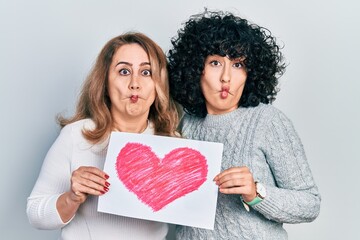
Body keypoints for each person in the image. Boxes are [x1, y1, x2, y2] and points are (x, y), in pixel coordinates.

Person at [168, 10, 321, 239]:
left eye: (238, 64)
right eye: (215, 63)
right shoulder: (184, 125)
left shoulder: (267, 121)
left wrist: (255, 192)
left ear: (251, 73)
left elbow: (310, 203)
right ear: (195, 68)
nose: (226, 77)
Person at [27, 32, 179, 240]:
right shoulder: (76, 136)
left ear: (158, 84)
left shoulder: (172, 146)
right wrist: (72, 198)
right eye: (124, 71)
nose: (135, 83)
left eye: (146, 72)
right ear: (105, 82)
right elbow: (35, 214)